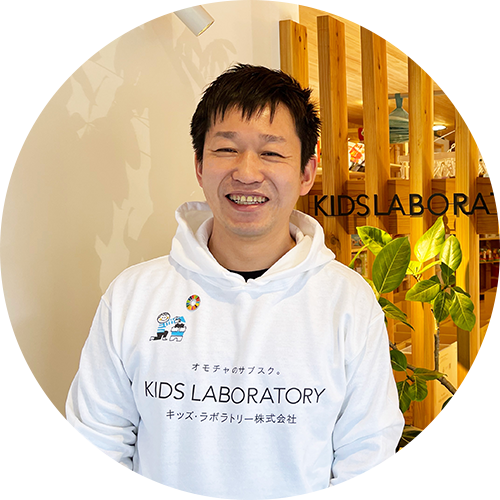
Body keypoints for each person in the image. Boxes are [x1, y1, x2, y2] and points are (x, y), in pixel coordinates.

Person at [66, 63, 404, 500]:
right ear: (199, 165)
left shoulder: (347, 302)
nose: (246, 172)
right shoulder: (135, 296)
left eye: (271, 153)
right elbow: (99, 439)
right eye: (226, 149)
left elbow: (367, 448)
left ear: (307, 172)